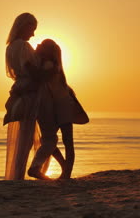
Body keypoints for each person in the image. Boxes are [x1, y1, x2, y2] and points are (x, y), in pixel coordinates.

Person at [27, 39, 89, 179]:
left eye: (42, 45)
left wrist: (28, 65)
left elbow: (38, 77)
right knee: (51, 140)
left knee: (65, 140)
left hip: (62, 104)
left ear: (48, 51)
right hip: (54, 105)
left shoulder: (50, 65)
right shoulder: (47, 63)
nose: (38, 46)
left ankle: (66, 172)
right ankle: (64, 168)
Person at [3, 13, 53, 180]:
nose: (33, 34)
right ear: (23, 26)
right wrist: (48, 72)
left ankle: (20, 175)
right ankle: (20, 175)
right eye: (32, 29)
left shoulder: (10, 47)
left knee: (27, 137)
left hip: (22, 89)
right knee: (27, 138)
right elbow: (32, 71)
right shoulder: (22, 46)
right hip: (30, 92)